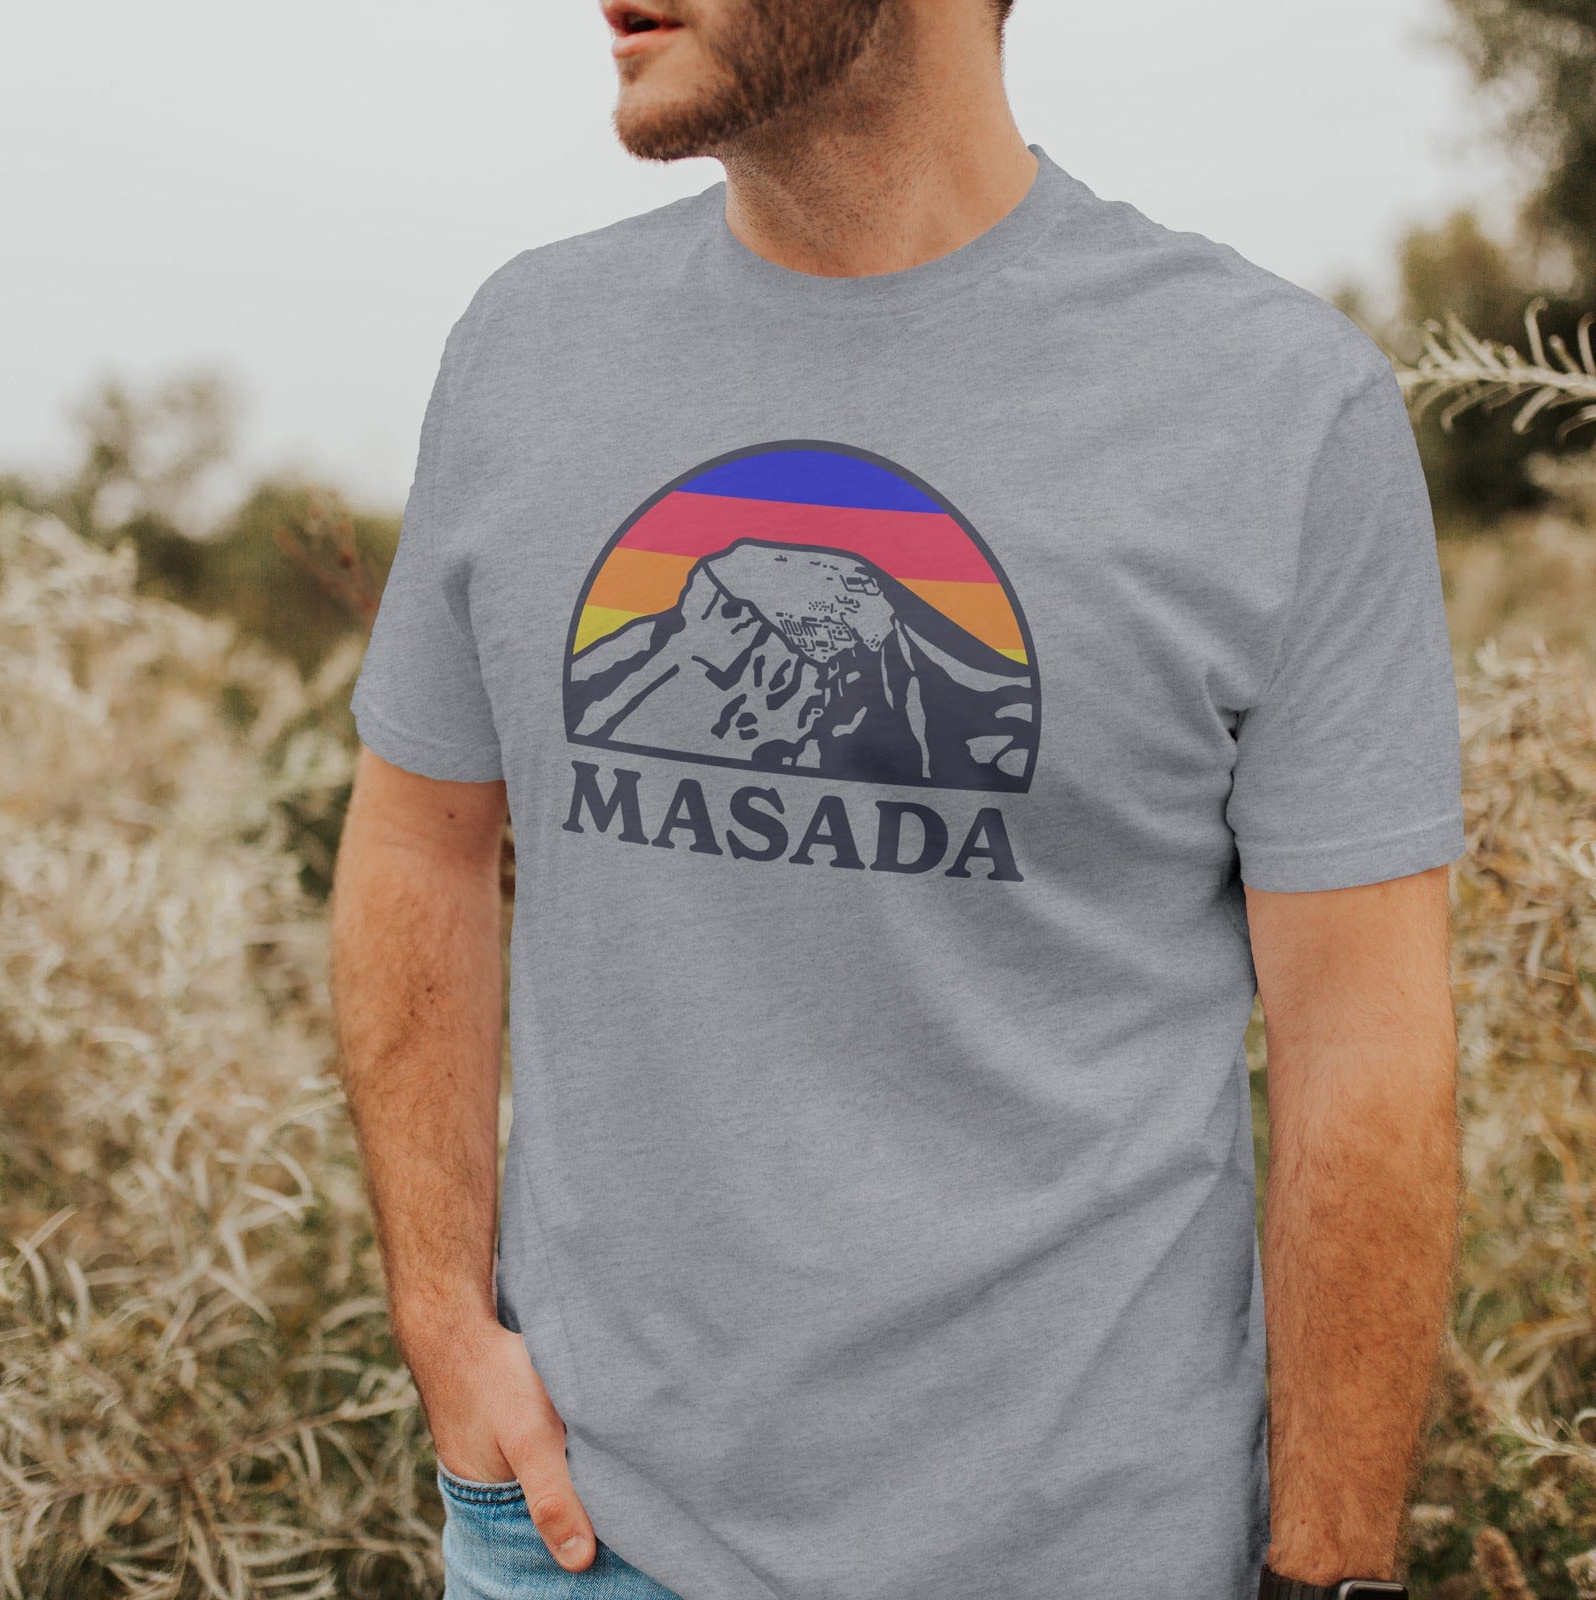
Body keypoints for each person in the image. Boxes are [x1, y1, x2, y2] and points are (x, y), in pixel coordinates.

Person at [329, 1, 1464, 1596]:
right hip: (587, 1541)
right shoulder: (527, 349)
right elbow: (418, 841)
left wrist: (1329, 1568)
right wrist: (446, 1325)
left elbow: (1366, 1039)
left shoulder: (1275, 408)